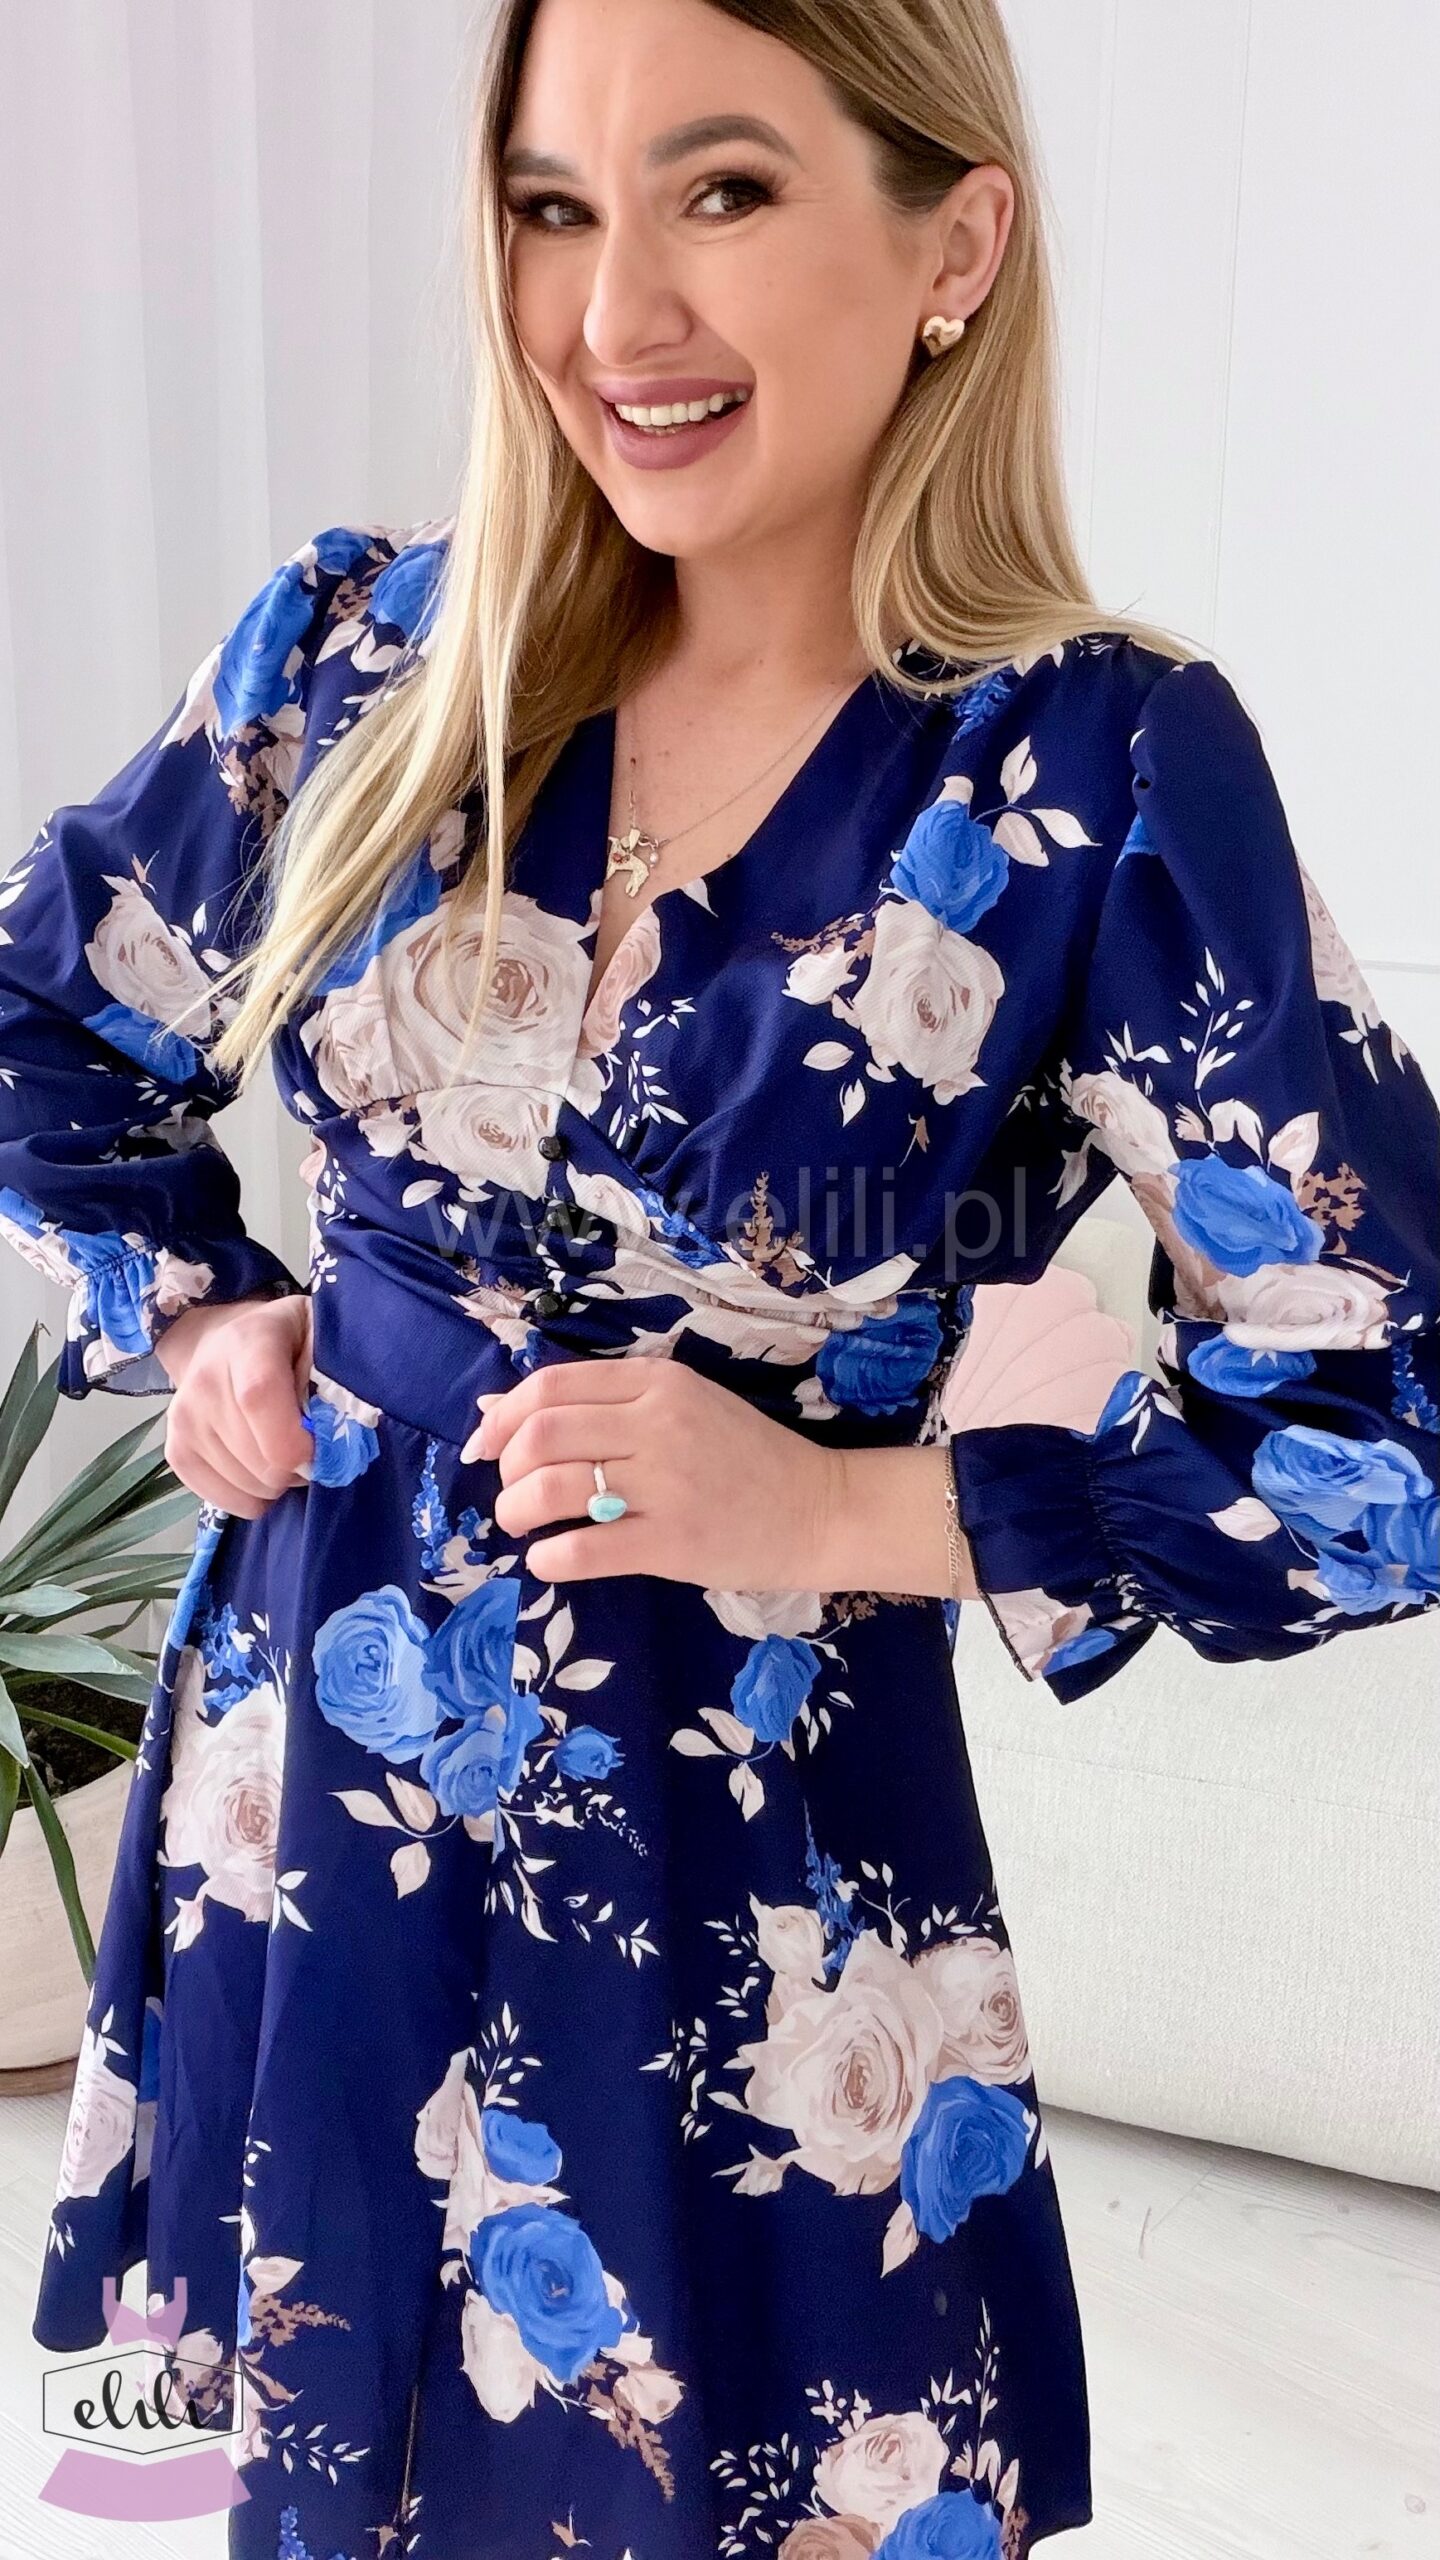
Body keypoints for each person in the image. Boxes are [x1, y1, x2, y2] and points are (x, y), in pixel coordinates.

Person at [3, 0, 1437, 2553]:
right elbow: (41, 1017)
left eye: (727, 191)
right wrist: (202, 1311)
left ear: (954, 241)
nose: (614, 313)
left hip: (749, 1897)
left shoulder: (1087, 766)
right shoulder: (363, 651)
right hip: (306, 1803)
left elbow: (1389, 1411)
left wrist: (845, 1506)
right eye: (554, 207)